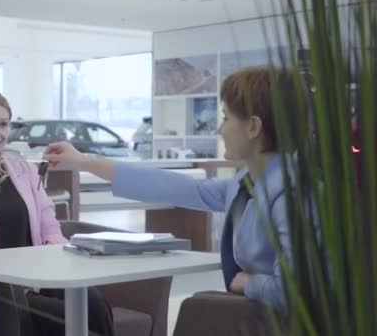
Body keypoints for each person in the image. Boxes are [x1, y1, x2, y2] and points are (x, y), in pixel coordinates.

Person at [44, 67, 294, 313]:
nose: (219, 130)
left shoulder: (292, 194)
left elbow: (298, 293)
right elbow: (173, 186)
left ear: (253, 127)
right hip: (253, 315)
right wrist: (84, 161)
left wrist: (251, 284)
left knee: (198, 311)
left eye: (226, 118)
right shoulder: (246, 185)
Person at [0, 91, 115, 336]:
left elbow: (50, 229)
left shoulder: (25, 173)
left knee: (92, 301)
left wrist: (61, 268)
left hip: (39, 275)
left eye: (3, 124)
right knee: (61, 316)